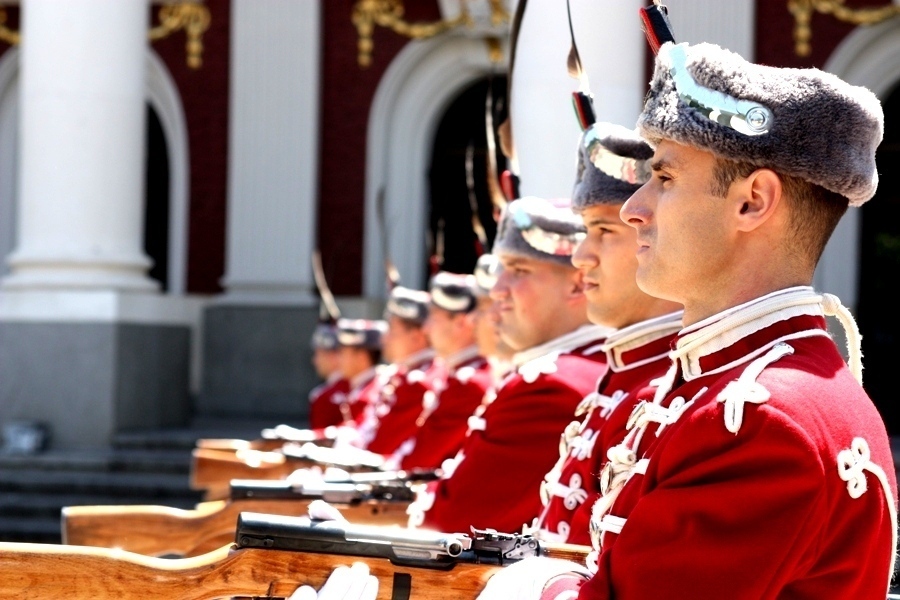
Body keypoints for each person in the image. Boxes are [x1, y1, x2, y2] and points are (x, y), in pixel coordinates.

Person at [483, 41, 899, 600]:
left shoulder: (764, 420)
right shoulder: (738, 391)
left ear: (752, 202)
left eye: (666, 178)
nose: (636, 207)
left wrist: (535, 584)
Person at [410, 196, 610, 534]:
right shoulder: (567, 370)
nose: (499, 290)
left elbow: (452, 521)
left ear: (578, 283)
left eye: (518, 271)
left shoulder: (550, 385)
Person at [535, 122, 682, 546]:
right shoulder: (624, 373)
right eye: (585, 232)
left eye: (603, 231)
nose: (580, 257)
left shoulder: (664, 392)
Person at [386, 271, 493, 471]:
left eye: (433, 317)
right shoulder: (458, 376)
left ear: (461, 323)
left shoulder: (468, 383)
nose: (425, 329)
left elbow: (419, 462)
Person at [352, 285, 435, 455]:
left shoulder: (419, 382)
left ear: (416, 337)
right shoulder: (402, 375)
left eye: (391, 329)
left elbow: (381, 448)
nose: (384, 338)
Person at [307, 322, 350, 429]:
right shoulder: (367, 389)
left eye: (319, 354)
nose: (314, 361)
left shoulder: (322, 397)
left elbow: (319, 442)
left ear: (333, 356)